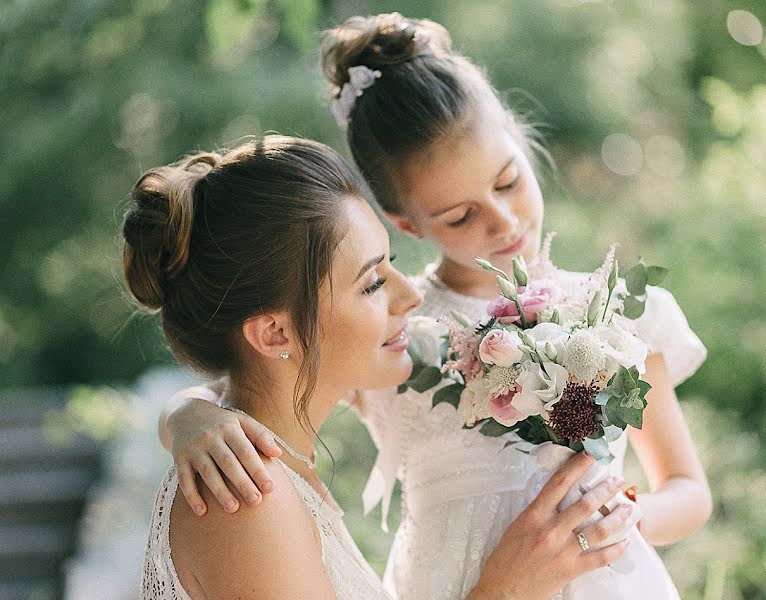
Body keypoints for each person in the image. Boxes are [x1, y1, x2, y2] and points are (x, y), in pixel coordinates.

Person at [159, 13, 712, 599]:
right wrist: (187, 420)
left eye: (507, 183)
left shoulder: (619, 310)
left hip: (603, 572)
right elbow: (247, 389)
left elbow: (688, 488)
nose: (502, 221)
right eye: (459, 215)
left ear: (521, 143)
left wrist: (622, 514)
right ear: (405, 222)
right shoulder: (395, 330)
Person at [128, 135, 631, 599]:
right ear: (274, 334)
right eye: (372, 283)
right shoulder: (248, 500)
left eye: (392, 265)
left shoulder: (265, 471)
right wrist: (504, 589)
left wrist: (185, 414)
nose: (410, 295)